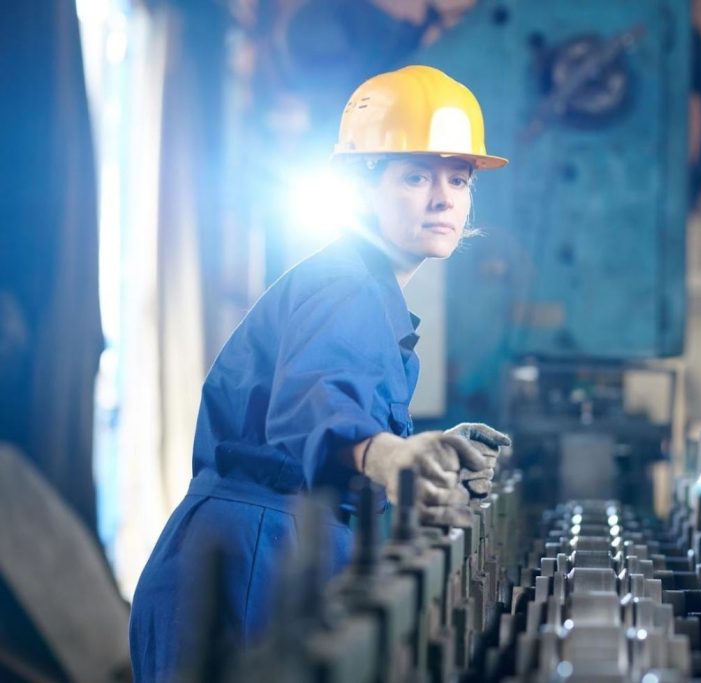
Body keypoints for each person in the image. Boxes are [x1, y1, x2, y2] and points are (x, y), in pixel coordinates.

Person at [129, 65, 510, 681]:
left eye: (459, 180)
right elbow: (317, 399)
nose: (444, 198)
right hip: (251, 558)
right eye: (415, 176)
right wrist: (389, 457)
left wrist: (423, 452)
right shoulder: (346, 285)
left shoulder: (367, 291)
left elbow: (341, 397)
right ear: (361, 189)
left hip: (272, 547)